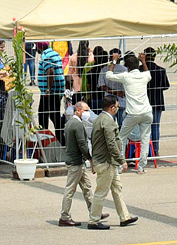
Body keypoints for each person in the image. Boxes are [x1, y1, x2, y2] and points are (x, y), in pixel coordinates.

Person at [88, 96, 136, 229]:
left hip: (107, 162)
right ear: (112, 107)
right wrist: (122, 160)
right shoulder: (107, 121)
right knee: (101, 191)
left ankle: (124, 216)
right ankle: (94, 220)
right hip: (106, 162)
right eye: (117, 107)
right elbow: (111, 143)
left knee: (117, 189)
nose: (117, 109)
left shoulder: (99, 119)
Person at [59, 101, 104, 226]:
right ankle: (64, 216)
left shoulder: (69, 123)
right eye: (85, 110)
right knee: (70, 189)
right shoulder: (77, 125)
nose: (87, 113)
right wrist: (90, 158)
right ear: (77, 110)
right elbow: (82, 144)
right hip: (76, 162)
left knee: (86, 187)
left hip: (75, 161)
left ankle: (94, 211)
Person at [107, 53, 151, 171]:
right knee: (145, 139)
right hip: (146, 112)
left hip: (133, 113)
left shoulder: (126, 76)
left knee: (122, 138)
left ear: (128, 68)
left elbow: (109, 75)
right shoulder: (144, 76)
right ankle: (141, 166)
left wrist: (114, 61)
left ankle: (120, 165)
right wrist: (144, 61)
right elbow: (148, 73)